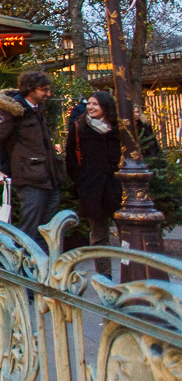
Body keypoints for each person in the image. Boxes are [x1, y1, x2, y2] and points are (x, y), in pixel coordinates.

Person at [0, 71, 66, 248]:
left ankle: (44, 263)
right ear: (30, 89)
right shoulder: (13, 112)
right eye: (43, 90)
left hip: (48, 176)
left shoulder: (37, 109)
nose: (48, 93)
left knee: (48, 229)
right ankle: (24, 262)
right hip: (29, 177)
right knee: (31, 229)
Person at [65, 92, 121, 277]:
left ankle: (130, 272)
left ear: (106, 106)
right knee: (99, 235)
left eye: (95, 104)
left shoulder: (117, 128)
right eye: (89, 103)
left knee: (127, 232)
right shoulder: (79, 127)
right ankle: (104, 277)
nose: (90, 107)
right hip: (92, 188)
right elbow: (70, 157)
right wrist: (81, 182)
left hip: (115, 186)